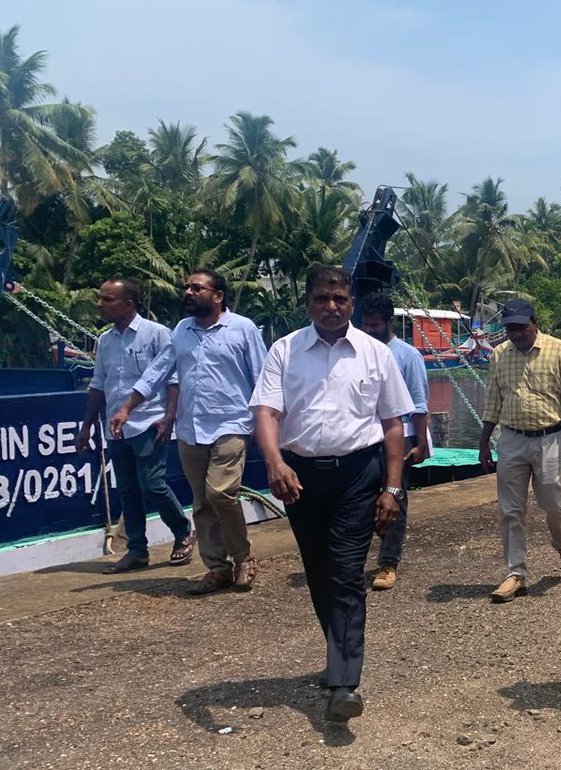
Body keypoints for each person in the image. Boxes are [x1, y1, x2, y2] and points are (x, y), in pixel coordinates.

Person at [249, 265, 414, 722]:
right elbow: (265, 411)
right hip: (299, 477)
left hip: (358, 475)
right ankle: (338, 654)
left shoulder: (373, 354)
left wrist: (393, 488)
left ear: (352, 303)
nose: (331, 307)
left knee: (344, 574)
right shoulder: (284, 351)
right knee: (319, 573)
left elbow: (394, 423)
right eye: (322, 298)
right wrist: (275, 462)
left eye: (339, 299)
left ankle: (344, 682)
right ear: (308, 303)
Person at [110, 270, 267, 595]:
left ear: (218, 295)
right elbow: (157, 372)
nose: (188, 291)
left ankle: (244, 557)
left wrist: (266, 425)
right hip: (190, 429)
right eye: (187, 287)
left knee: (220, 493)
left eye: (197, 288)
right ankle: (218, 568)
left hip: (232, 424)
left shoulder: (242, 328)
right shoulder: (181, 330)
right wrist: (127, 407)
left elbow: (262, 378)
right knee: (201, 502)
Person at [75, 278, 193, 574]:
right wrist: (87, 425)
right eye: (100, 299)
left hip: (149, 423)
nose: (100, 305)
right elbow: (99, 384)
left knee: (153, 484)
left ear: (128, 304)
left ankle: (182, 532)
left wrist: (169, 417)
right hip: (116, 427)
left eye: (107, 300)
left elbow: (172, 378)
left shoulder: (157, 334)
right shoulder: (104, 340)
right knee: (128, 490)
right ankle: (137, 551)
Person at [478, 299, 561, 603]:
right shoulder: (499, 355)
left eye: (521, 328)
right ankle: (516, 573)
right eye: (510, 329)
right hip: (511, 439)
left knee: (554, 503)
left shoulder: (557, 349)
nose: (516, 334)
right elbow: (492, 401)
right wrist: (484, 441)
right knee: (511, 510)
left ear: (534, 323)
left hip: (548, 439)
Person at [359, 291, 430, 591]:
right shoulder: (359, 352)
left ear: (389, 323)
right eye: (366, 325)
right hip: (365, 437)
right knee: (361, 500)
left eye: (375, 325)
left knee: (395, 497)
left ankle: (388, 562)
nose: (370, 330)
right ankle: (356, 559)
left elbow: (419, 403)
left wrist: (423, 442)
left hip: (400, 437)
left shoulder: (407, 355)